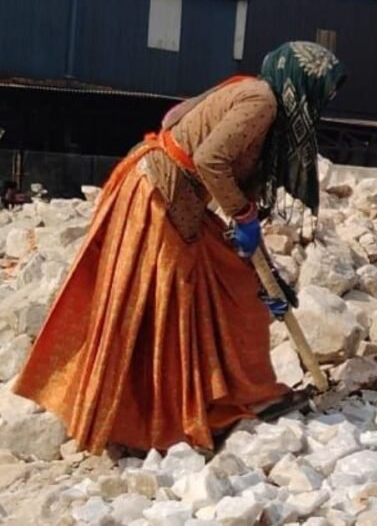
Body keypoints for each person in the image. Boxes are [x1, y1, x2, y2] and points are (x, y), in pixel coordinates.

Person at [13, 41, 346, 454]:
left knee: (229, 278)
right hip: (158, 196)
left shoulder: (252, 93)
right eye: (322, 91)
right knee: (160, 306)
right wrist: (241, 218)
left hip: (176, 197)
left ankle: (223, 395)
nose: (322, 102)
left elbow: (178, 118)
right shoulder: (261, 101)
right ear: (301, 84)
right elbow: (210, 159)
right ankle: (153, 419)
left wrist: (268, 277)